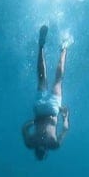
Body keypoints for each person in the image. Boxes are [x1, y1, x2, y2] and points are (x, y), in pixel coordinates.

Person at [22, 25, 70, 160]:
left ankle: (64, 47)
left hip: (53, 110)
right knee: (41, 77)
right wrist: (35, 122)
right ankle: (41, 45)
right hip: (39, 110)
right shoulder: (30, 143)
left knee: (58, 79)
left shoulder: (54, 145)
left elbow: (65, 129)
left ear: (46, 152)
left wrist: (65, 116)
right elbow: (25, 129)